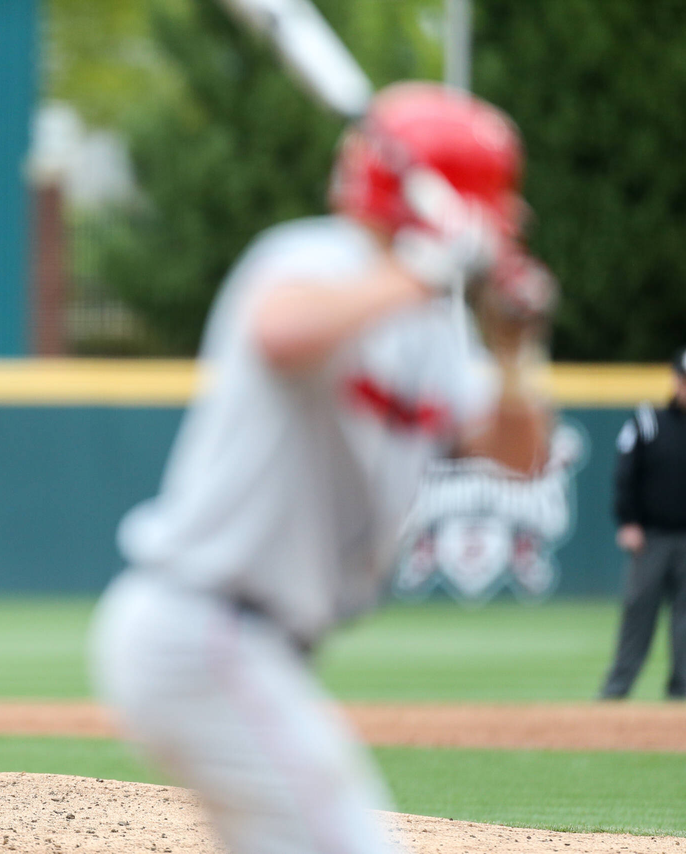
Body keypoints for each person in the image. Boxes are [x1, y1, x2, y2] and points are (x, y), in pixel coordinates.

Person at [89, 82, 554, 854]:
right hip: (204, 627)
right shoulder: (312, 256)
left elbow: (519, 454)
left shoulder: (435, 327)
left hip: (255, 647)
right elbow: (283, 332)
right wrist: (429, 267)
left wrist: (514, 353)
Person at [599, 347, 686, 700]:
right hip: (652, 537)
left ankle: (681, 694)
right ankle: (616, 692)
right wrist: (629, 521)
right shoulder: (649, 420)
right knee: (639, 614)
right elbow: (625, 474)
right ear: (676, 381)